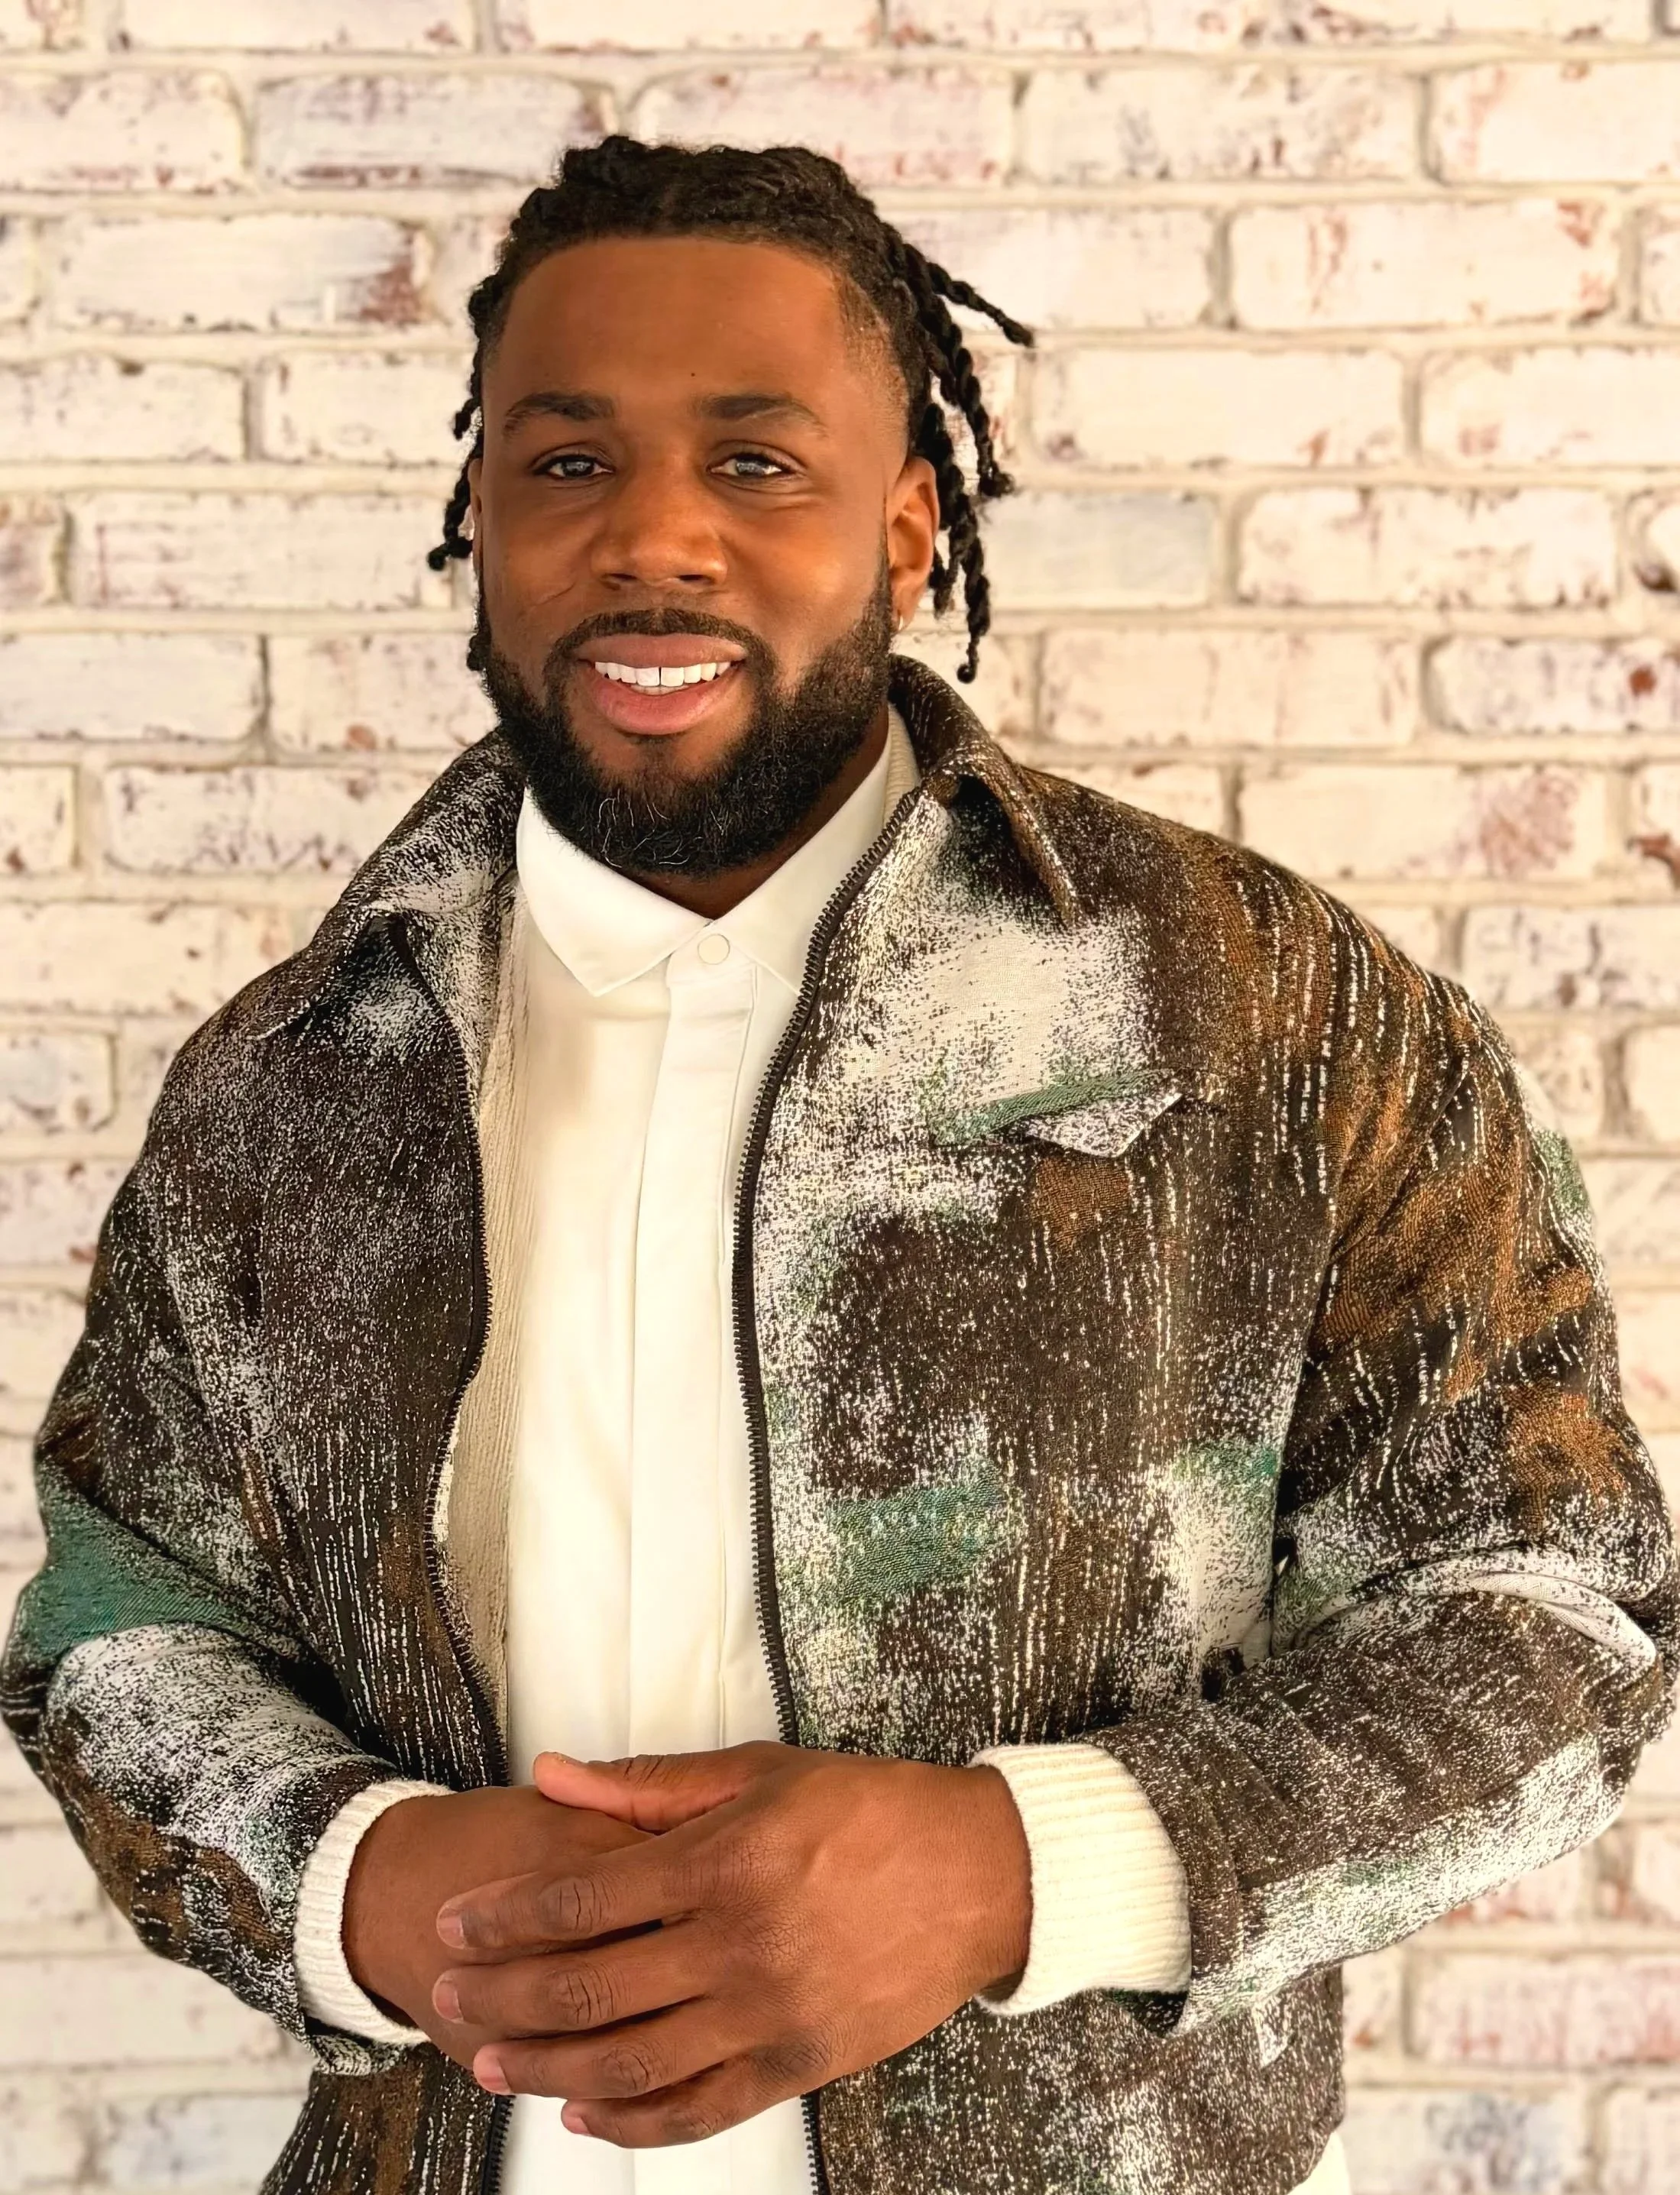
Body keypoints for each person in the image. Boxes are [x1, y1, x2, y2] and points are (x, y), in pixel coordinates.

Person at [2, 133, 1674, 2195]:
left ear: (904, 523)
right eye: (566, 461)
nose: (654, 540)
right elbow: (120, 1614)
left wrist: (1011, 1868)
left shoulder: (1271, 1018)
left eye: (755, 460)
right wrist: (355, 1882)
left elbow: (1550, 1610)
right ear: (481, 520)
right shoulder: (290, 1082)